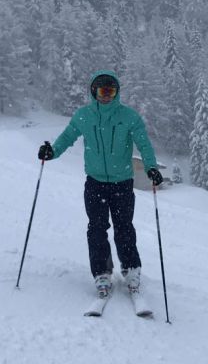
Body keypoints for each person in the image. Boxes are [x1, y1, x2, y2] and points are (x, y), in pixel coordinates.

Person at [38, 70, 163, 299]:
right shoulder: (84, 116)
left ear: (116, 93)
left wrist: (151, 168)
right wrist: (52, 151)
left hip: (122, 183)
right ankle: (102, 272)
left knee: (124, 228)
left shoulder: (129, 116)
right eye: (102, 91)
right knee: (96, 229)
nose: (106, 96)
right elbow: (67, 137)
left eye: (111, 91)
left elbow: (144, 145)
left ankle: (131, 269)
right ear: (93, 91)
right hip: (95, 183)